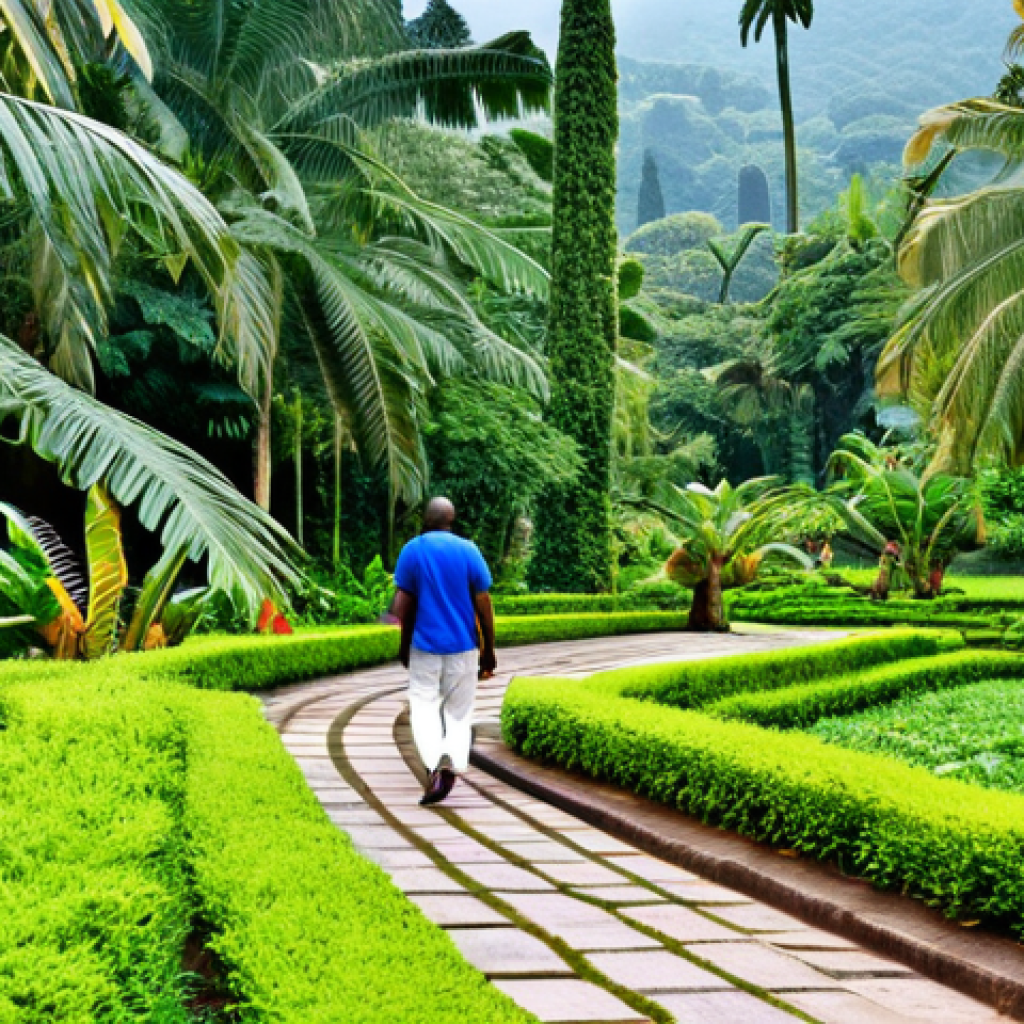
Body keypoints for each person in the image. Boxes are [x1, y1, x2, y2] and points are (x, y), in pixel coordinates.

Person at [392, 498, 497, 806]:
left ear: (425, 518)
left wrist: (403, 645)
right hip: (464, 648)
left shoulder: (412, 550)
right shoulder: (469, 551)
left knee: (423, 708)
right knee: (459, 713)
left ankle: (436, 764)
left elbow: (404, 604)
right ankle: (450, 763)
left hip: (424, 647)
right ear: (452, 519)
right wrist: (489, 648)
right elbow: (483, 602)